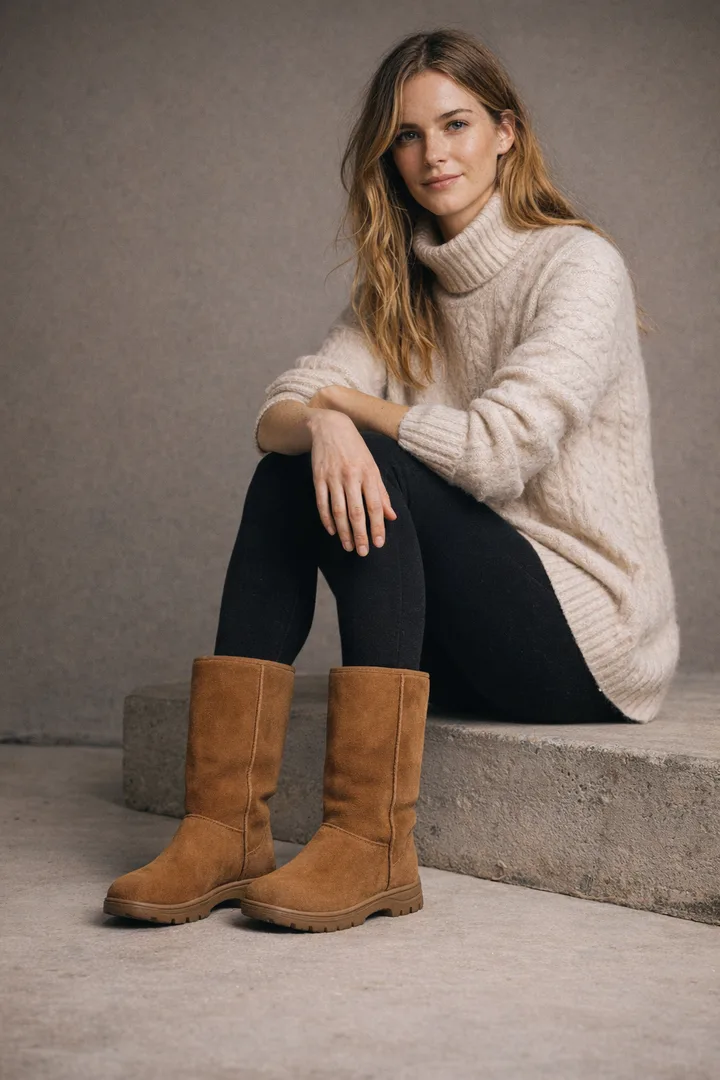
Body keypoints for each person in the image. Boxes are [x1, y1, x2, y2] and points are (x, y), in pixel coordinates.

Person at [103, 26, 680, 933]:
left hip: (580, 643)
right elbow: (277, 414)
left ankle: (374, 845)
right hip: (458, 641)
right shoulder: (399, 283)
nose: (432, 153)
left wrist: (351, 416)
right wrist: (327, 416)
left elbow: (495, 452)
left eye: (454, 124)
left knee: (359, 451)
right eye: (408, 135)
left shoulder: (577, 264)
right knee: (294, 465)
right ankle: (224, 829)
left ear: (506, 132)